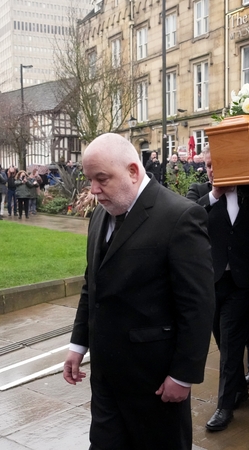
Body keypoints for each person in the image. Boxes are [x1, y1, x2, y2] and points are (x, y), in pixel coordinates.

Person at [63, 133, 215, 450]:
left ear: (133, 171)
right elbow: (93, 285)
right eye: (90, 179)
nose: (93, 190)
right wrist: (78, 344)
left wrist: (183, 375)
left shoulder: (180, 216)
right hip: (106, 377)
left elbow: (197, 306)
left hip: (155, 380)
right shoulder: (100, 215)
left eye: (101, 179)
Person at [186, 147, 249, 433]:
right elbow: (189, 217)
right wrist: (216, 194)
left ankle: (224, 406)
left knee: (231, 345)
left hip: (244, 284)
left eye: (217, 165)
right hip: (211, 283)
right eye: (208, 165)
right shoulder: (198, 193)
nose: (211, 170)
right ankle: (240, 392)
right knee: (223, 342)